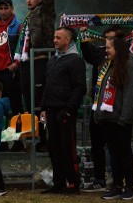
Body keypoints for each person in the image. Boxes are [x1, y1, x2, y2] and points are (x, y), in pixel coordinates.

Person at [13, 0, 55, 152]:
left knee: (40, 101)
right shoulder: (28, 17)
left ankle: (45, 139)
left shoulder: (45, 11)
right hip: (26, 63)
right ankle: (34, 135)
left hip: (40, 62)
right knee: (28, 102)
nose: (28, 1)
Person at [40, 27, 87, 194]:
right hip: (51, 110)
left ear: (68, 40)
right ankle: (58, 183)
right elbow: (47, 85)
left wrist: (69, 110)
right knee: (54, 147)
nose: (54, 40)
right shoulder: (53, 60)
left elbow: (80, 87)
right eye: (54, 37)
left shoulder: (75, 60)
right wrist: (44, 107)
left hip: (65, 111)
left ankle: (73, 183)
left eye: (58, 37)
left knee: (68, 147)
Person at [80, 25, 126, 192]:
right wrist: (84, 35)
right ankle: (100, 178)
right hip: (98, 105)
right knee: (97, 143)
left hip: (115, 108)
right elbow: (87, 53)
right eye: (106, 38)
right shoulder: (100, 53)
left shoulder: (125, 60)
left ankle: (119, 180)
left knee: (116, 147)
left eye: (112, 39)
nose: (108, 42)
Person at [94, 36, 133, 200]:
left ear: (118, 49)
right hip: (108, 118)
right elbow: (100, 92)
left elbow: (130, 94)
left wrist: (124, 118)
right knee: (113, 153)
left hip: (121, 119)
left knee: (124, 153)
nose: (105, 50)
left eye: (108, 48)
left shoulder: (128, 64)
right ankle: (117, 185)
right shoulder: (108, 65)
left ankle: (130, 187)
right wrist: (98, 113)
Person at [0, 0, 23, 152]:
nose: (3, 11)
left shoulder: (18, 26)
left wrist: (17, 63)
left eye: (6, 8)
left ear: (12, 8)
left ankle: (17, 141)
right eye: (0, 8)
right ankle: (0, 142)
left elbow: (23, 46)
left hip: (10, 70)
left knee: (15, 107)